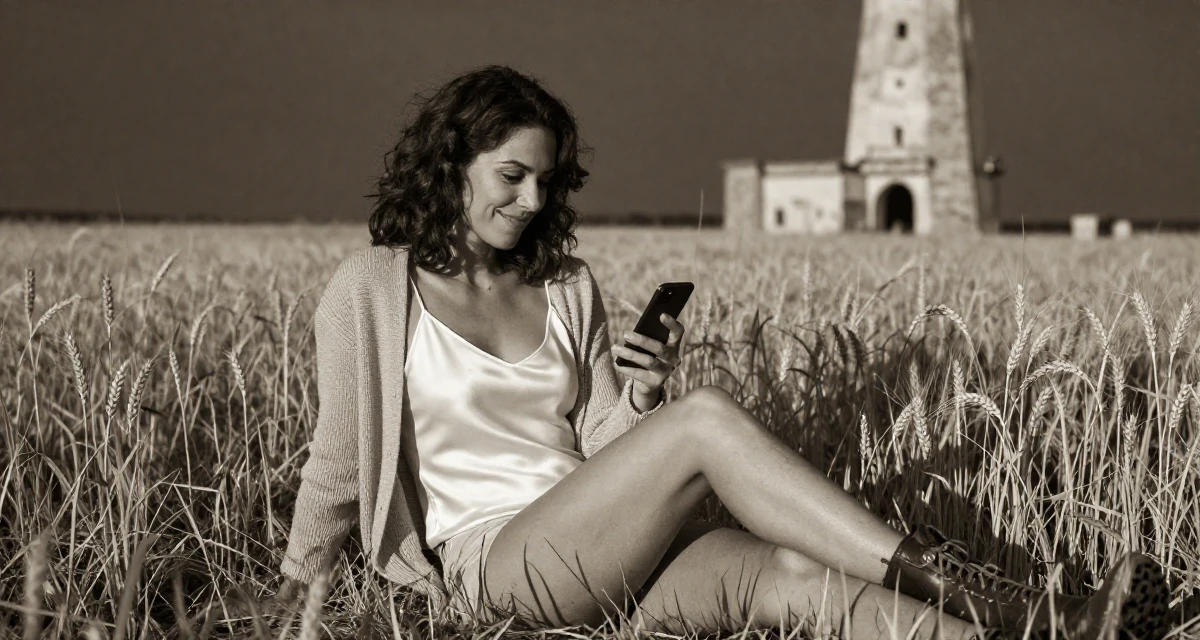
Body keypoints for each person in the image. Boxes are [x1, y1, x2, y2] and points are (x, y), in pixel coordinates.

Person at [272, 65, 1170, 639]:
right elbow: (341, 461)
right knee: (705, 427)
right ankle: (974, 590)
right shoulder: (372, 289)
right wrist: (298, 600)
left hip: (607, 544)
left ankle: (1029, 630)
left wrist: (643, 400)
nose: (533, 199)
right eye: (512, 175)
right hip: (498, 569)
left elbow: (600, 443)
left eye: (548, 181)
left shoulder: (565, 286)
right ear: (454, 162)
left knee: (785, 577)